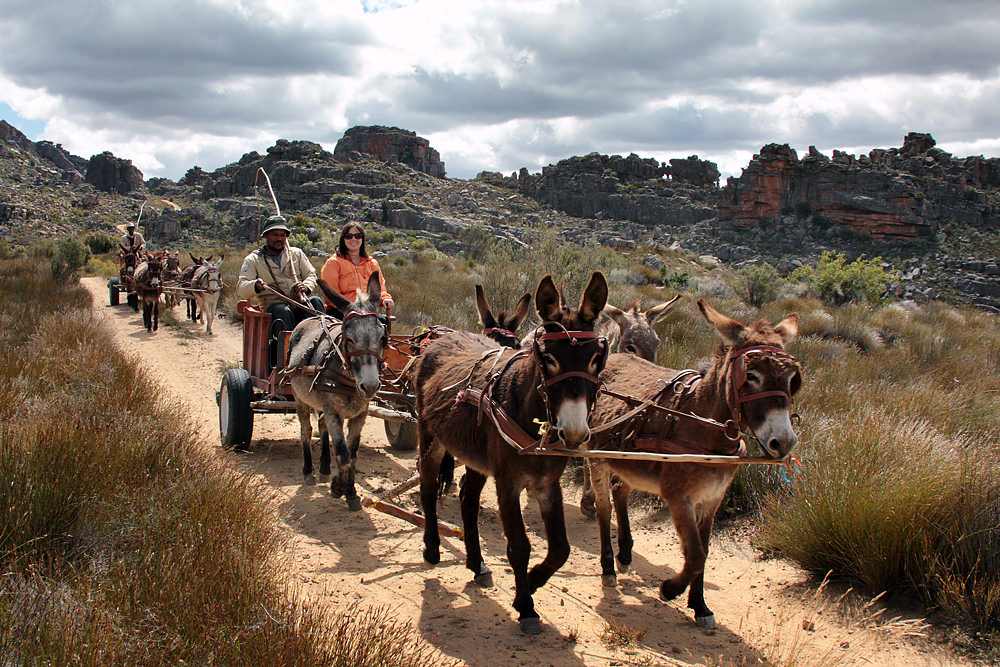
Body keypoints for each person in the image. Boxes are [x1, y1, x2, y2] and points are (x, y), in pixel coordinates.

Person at [237, 215, 324, 362]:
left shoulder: (296, 254)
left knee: (315, 302)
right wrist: (255, 285)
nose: (279, 239)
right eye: (275, 235)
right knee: (282, 311)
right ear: (265, 236)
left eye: (283, 235)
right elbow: (241, 287)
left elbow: (311, 274)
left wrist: (306, 286)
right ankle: (287, 359)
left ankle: (321, 352)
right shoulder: (254, 259)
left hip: (298, 302)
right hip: (273, 309)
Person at [320, 222, 393, 318]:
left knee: (382, 325)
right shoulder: (333, 263)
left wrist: (385, 299)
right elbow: (331, 297)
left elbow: (380, 290)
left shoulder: (372, 263)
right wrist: (352, 308)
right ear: (343, 239)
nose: (353, 239)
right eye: (349, 236)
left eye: (358, 236)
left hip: (367, 312)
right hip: (341, 311)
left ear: (362, 239)